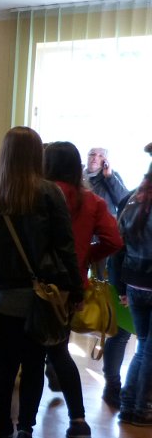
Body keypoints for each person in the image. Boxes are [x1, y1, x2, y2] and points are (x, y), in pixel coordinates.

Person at [0, 128, 82, 438]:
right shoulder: (49, 193)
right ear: (36, 154)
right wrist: (75, 289)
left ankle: (3, 430)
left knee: (2, 364)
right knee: (34, 363)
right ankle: (26, 430)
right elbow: (65, 246)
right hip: (38, 295)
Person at [42, 141, 123, 438]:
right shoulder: (92, 201)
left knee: (30, 349)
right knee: (61, 348)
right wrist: (86, 256)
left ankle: (22, 424)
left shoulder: (36, 195)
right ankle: (78, 419)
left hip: (33, 282)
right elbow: (114, 241)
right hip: (70, 284)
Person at [86, 147, 136, 407]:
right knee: (122, 332)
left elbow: (121, 199)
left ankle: (124, 390)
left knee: (125, 333)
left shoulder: (114, 182)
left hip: (112, 254)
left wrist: (110, 177)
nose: (94, 159)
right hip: (104, 252)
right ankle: (116, 387)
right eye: (91, 154)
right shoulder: (81, 179)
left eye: (99, 155)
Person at [115, 142, 152, 426]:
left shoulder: (131, 200)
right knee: (148, 349)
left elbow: (118, 247)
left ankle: (129, 404)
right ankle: (142, 408)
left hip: (134, 285)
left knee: (143, 347)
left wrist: (120, 287)